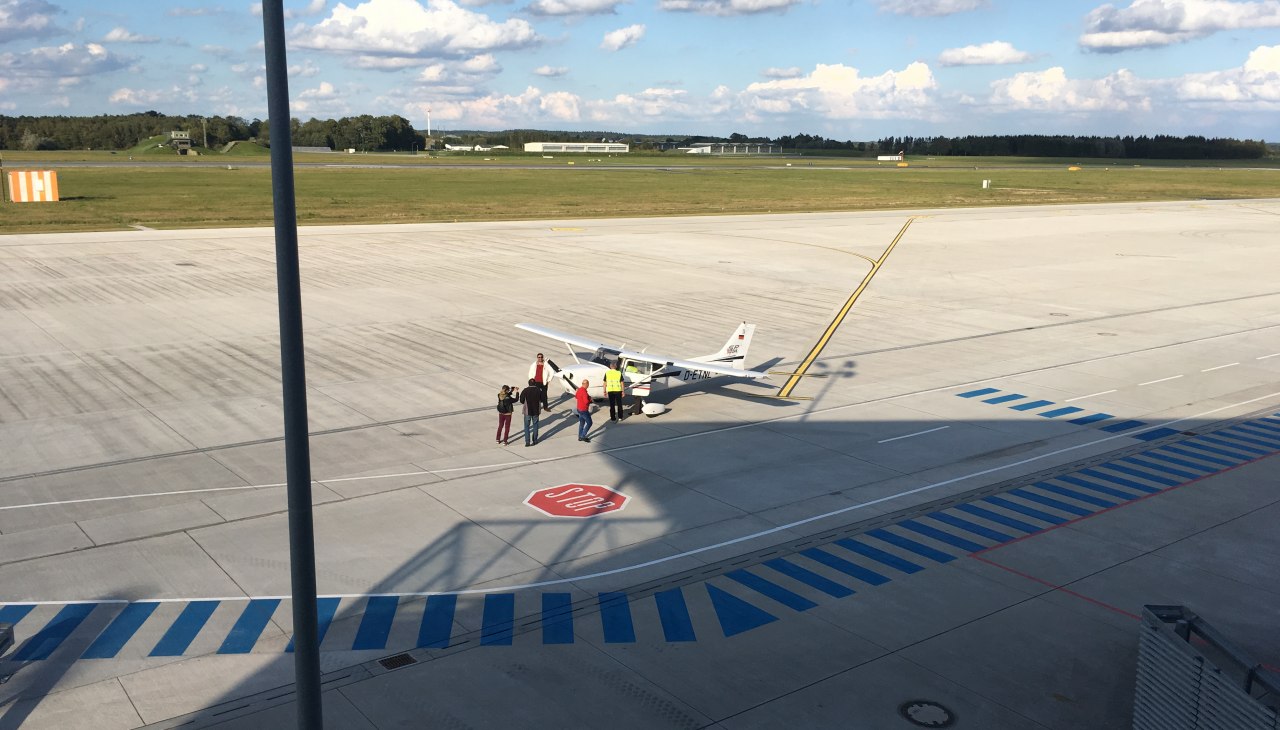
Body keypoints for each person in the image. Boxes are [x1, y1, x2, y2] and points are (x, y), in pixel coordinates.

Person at [520, 378, 546, 447]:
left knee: (526, 427)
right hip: (536, 411)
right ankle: (535, 440)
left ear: (528, 383)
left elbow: (521, 400)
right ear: (535, 384)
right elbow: (543, 399)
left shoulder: (525, 390)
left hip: (527, 411)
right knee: (535, 425)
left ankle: (527, 442)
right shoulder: (538, 390)